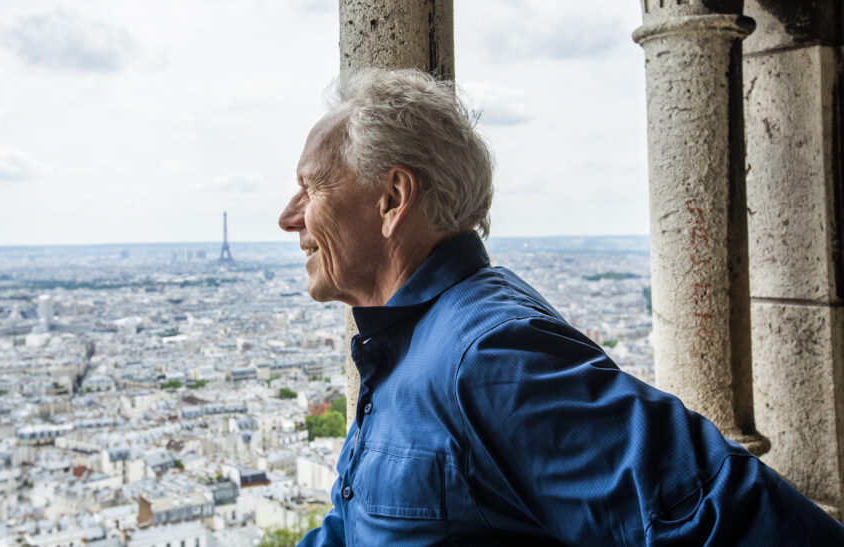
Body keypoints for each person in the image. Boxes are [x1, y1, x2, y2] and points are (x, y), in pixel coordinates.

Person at [277, 68, 844, 546]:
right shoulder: (407, 343)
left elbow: (737, 519)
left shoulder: (490, 355)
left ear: (393, 200)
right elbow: (357, 524)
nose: (289, 216)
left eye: (312, 187)